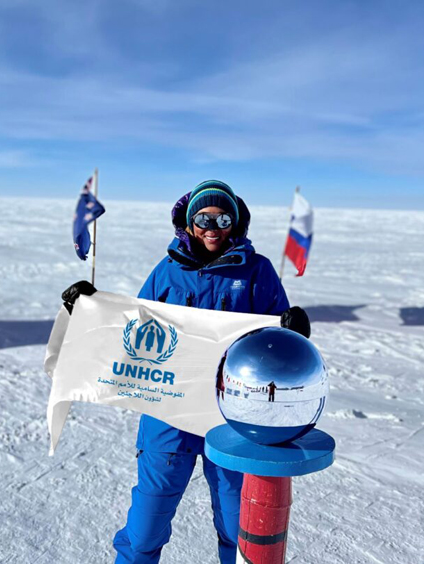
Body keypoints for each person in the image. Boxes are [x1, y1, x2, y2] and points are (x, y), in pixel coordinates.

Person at [61, 180, 310, 563]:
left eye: (223, 219)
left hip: (233, 416)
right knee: (145, 528)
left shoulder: (257, 271)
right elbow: (133, 327)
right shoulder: (167, 271)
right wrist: (90, 307)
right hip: (168, 411)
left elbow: (277, 343)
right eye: (204, 218)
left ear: (235, 223)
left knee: (238, 526)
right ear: (189, 223)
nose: (213, 228)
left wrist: (292, 328)